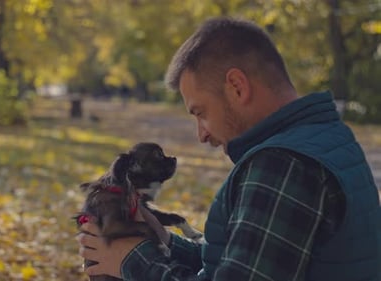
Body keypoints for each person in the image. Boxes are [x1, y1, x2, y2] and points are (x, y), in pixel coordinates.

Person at [77, 17, 381, 281]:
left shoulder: (282, 165)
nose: (202, 135)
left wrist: (133, 261)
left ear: (237, 86)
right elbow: (239, 264)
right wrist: (164, 241)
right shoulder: (324, 139)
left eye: (201, 112)